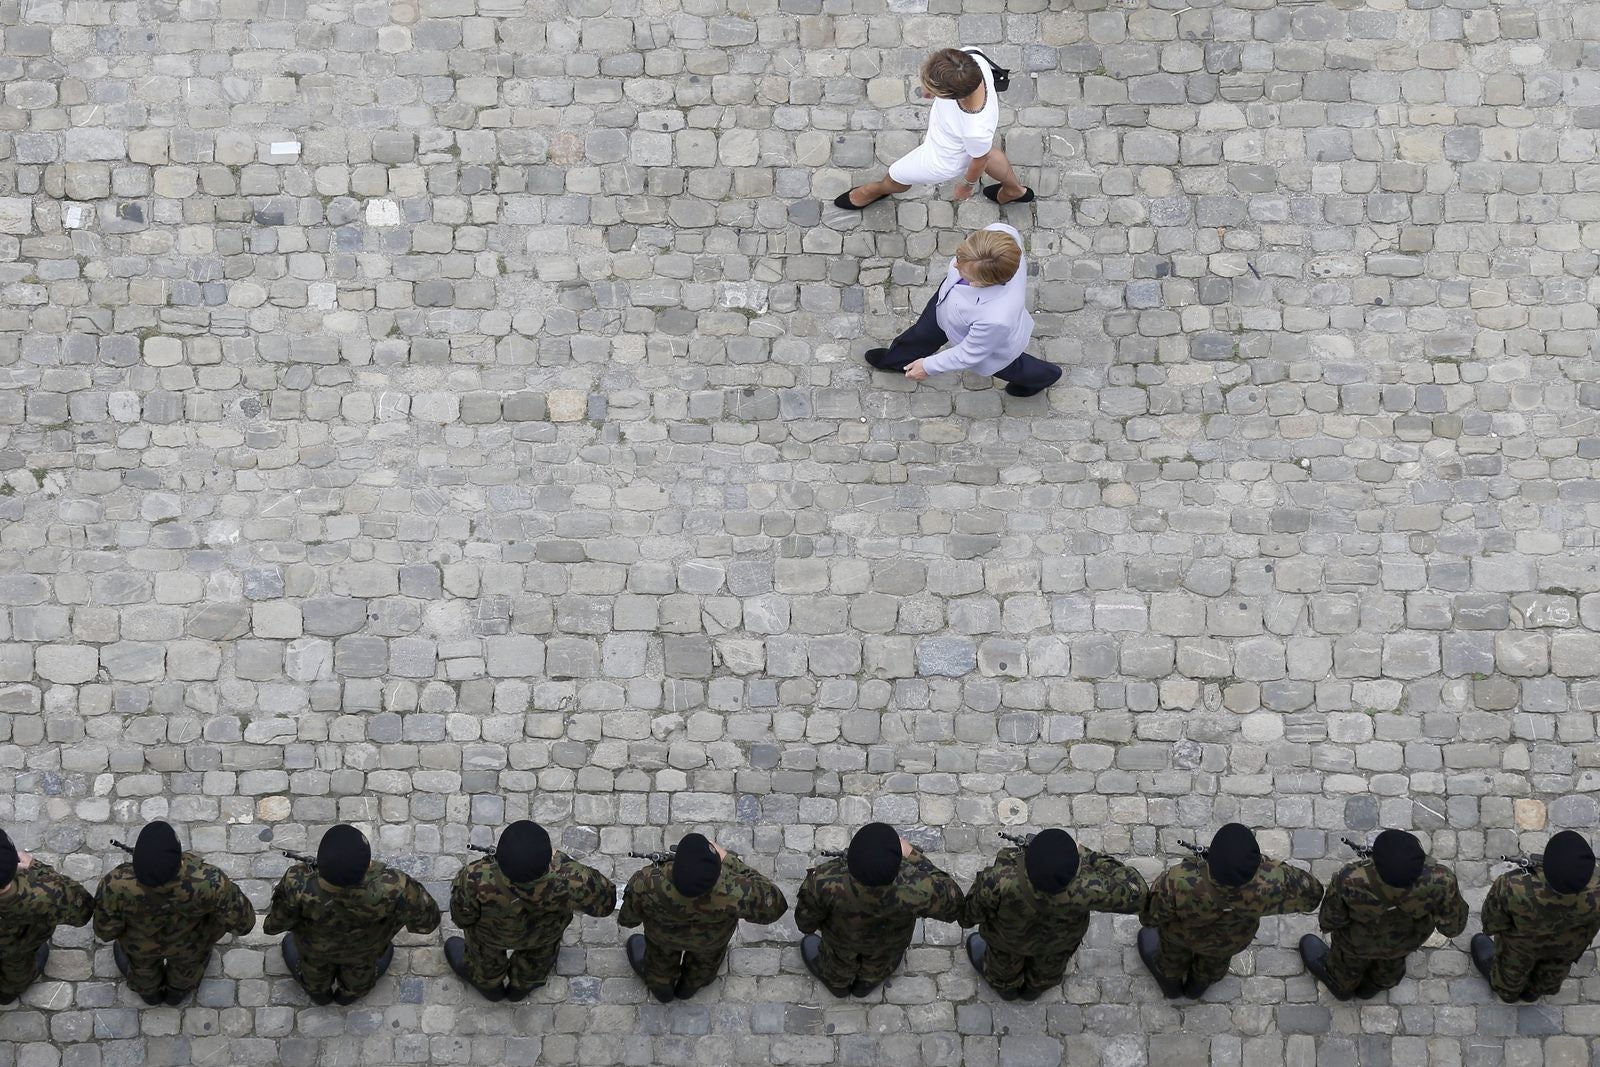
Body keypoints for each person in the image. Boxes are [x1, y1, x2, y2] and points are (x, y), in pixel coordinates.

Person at [863, 223, 1061, 397]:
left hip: (989, 342)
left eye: (964, 271)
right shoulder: (999, 234)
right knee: (921, 333)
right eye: (959, 257)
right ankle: (898, 360)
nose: (955, 264)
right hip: (946, 304)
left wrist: (928, 367)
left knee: (1010, 367)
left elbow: (970, 352)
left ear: (984, 282)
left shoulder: (997, 317)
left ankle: (1043, 376)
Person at [1138, 824, 1324, 999]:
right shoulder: (1276, 882)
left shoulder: (1178, 880)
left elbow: (1150, 917)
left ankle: (1172, 988)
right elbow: (1313, 895)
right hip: (1233, 939)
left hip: (1181, 937)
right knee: (1214, 964)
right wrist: (1268, 866)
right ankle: (1197, 988)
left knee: (1171, 960)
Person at [264, 824, 440, 1006]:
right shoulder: (397, 886)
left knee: (313, 975)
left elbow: (275, 925)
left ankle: (320, 995)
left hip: (316, 951)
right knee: (359, 977)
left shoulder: (298, 883)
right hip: (365, 950)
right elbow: (427, 923)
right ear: (369, 865)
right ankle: (348, 996)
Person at [835, 47, 1032, 209]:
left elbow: (980, 159)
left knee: (897, 173)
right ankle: (1014, 189)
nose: (926, 92)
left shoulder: (975, 130)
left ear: (954, 97)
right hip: (967, 142)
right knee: (986, 151)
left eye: (934, 91)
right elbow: (983, 153)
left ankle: (876, 190)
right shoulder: (971, 59)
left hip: (943, 157)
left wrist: (967, 185)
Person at [963, 829, 1148, 1001]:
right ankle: (1034, 990)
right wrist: (1086, 854)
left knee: (1002, 970)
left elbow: (970, 915)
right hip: (1059, 943)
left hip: (1007, 942)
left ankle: (1007, 990)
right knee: (1048, 970)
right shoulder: (1092, 887)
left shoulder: (998, 880)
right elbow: (1137, 891)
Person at [445, 821, 616, 1002]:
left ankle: (490, 987)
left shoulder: (474, 877)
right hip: (544, 935)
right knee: (537, 961)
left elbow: (462, 917)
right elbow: (606, 904)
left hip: (490, 937)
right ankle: (522, 986)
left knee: (484, 963)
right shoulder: (574, 880)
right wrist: (565, 863)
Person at [93, 821, 255, 1006]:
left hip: (140, 946)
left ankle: (150, 995)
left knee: (142, 970)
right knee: (186, 971)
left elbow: (105, 931)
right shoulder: (211, 882)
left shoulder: (114, 884)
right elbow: (244, 924)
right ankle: (176, 994)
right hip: (191, 945)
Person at [794, 823, 964, 998]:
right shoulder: (918, 886)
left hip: (841, 942)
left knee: (837, 964)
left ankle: (838, 986)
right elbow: (954, 904)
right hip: (889, 943)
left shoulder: (823, 880)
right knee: (881, 963)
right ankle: (866, 985)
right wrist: (914, 856)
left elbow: (805, 922)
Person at [617, 833, 787, 1003]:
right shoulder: (738, 890)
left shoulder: (646, 882)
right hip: (712, 942)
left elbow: (628, 919)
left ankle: (662, 989)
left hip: (663, 939)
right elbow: (775, 906)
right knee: (705, 964)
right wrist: (729, 860)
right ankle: (689, 987)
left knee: (660, 962)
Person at [1300, 829, 1467, 1000]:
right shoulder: (1442, 880)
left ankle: (1342, 987)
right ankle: (1372, 987)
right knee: (1391, 966)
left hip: (1355, 943)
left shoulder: (1349, 879)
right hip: (1406, 941)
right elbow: (1452, 928)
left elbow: (1330, 919)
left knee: (1345, 966)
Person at [1472, 831, 1600, 1002]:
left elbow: (1493, 921)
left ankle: (1508, 994)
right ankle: (1533, 992)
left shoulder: (1513, 885)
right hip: (1569, 945)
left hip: (1520, 945)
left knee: (1510, 972)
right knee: (1552, 972)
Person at [0, 827, 93, 1005]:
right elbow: (83, 911)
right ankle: (8, 993)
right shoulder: (46, 894)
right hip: (18, 948)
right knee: (16, 972)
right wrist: (38, 867)